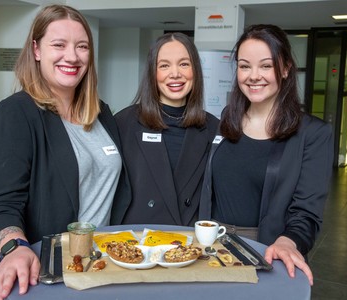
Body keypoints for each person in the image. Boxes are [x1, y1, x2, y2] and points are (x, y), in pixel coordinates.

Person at [0, 5, 130, 299]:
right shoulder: (16, 114)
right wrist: (15, 248)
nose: (72, 56)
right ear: (36, 49)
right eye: (59, 45)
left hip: (90, 269)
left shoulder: (101, 112)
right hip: (36, 274)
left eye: (82, 46)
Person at [199, 24, 333, 285]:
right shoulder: (228, 120)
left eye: (266, 66)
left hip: (266, 253)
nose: (253, 75)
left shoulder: (313, 134)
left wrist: (288, 241)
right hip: (212, 252)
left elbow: (307, 212)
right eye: (245, 66)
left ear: (285, 69)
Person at [111, 32, 219, 226]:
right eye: (164, 65)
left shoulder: (213, 128)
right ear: (153, 73)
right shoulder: (124, 123)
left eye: (184, 64)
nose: (175, 73)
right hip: (135, 244)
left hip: (188, 246)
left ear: (196, 70)